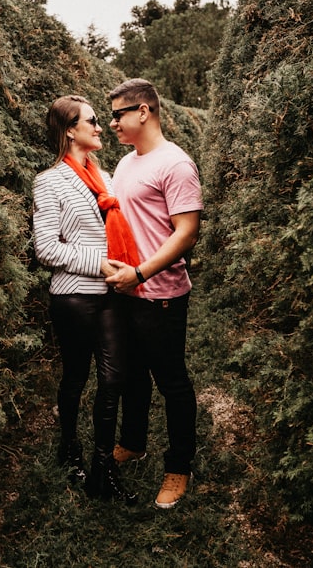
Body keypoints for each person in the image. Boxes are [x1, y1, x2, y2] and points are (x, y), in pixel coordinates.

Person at [32, 95, 139, 503]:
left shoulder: (107, 178)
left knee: (113, 378)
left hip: (111, 295)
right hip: (74, 297)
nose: (100, 127)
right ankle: (69, 447)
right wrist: (101, 264)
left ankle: (101, 468)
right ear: (69, 130)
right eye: (92, 121)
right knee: (76, 377)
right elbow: (46, 249)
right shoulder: (49, 181)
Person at [104, 78, 203, 509]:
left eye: (118, 114)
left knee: (172, 382)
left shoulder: (176, 164)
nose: (111, 124)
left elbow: (187, 232)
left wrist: (141, 272)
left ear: (143, 111)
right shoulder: (125, 164)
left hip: (161, 293)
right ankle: (133, 442)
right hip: (126, 291)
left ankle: (178, 467)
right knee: (130, 375)